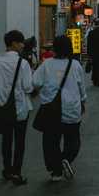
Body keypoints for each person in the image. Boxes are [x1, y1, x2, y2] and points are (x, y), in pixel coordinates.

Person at [31, 33, 87, 182]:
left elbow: (35, 82)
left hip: (51, 109)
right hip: (71, 107)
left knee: (50, 141)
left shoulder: (47, 64)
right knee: (73, 138)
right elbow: (81, 86)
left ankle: (55, 171)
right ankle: (66, 158)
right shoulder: (75, 65)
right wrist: (83, 101)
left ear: (54, 48)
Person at [0, 29, 32, 185]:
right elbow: (28, 87)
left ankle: (7, 170)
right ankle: (16, 172)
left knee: (6, 140)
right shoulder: (23, 63)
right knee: (19, 142)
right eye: (20, 42)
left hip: (2, 107)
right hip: (20, 108)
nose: (22, 45)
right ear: (14, 43)